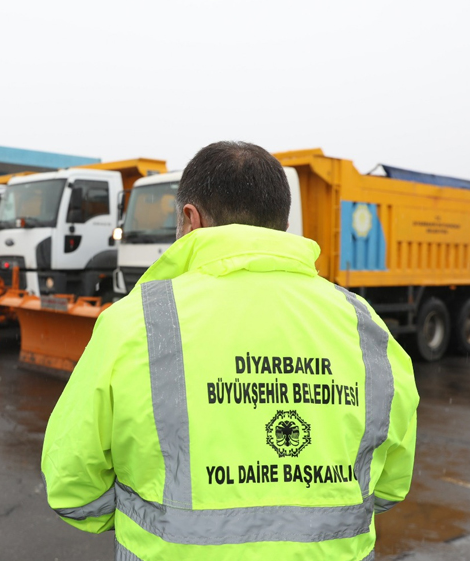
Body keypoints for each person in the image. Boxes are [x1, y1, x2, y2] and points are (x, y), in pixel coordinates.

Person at [41, 141, 419, 560]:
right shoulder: (364, 324)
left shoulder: (135, 323)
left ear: (190, 218)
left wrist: (147, 517)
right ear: (283, 222)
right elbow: (389, 485)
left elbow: (72, 487)